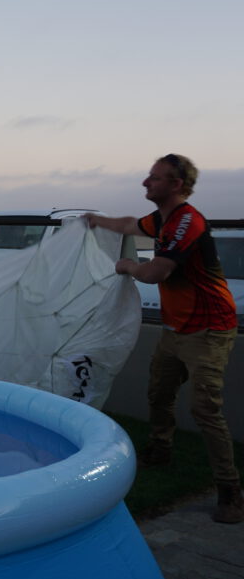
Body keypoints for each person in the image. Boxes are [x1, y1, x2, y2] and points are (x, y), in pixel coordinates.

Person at [86, 154, 243, 524]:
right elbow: (129, 224)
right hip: (176, 329)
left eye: (154, 178)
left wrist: (126, 266)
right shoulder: (163, 218)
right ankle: (160, 450)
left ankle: (230, 490)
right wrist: (96, 221)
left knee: (205, 409)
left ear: (176, 184)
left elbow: (156, 272)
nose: (145, 183)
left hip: (208, 331)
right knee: (159, 393)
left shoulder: (187, 221)